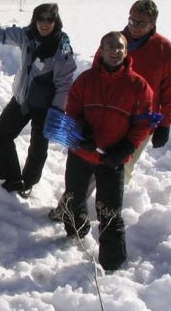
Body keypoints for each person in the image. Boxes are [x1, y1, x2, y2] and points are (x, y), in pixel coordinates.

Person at [49, 0, 171, 220]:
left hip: (137, 123)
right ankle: (70, 208)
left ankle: (106, 211)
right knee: (87, 163)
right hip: (101, 117)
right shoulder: (114, 42)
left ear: (153, 24)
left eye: (141, 23)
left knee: (120, 167)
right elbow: (95, 76)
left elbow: (169, 91)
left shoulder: (164, 50)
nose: (134, 26)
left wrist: (165, 124)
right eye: (132, 20)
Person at [0, 3, 76, 196]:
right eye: (40, 19)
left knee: (38, 148)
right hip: (22, 99)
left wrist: (57, 111)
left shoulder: (62, 50)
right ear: (35, 20)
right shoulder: (27, 36)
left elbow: (64, 84)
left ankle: (28, 183)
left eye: (49, 20)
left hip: (46, 107)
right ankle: (12, 178)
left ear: (56, 21)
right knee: (1, 134)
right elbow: (3, 34)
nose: (44, 24)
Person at [58, 32, 153, 271]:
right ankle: (75, 234)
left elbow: (143, 124)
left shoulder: (138, 86)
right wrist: (82, 134)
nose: (115, 51)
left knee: (109, 211)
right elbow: (72, 110)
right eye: (110, 46)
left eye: (119, 47)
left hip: (112, 159)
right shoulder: (86, 80)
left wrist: (126, 148)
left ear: (126, 51)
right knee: (73, 198)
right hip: (81, 153)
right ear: (101, 49)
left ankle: (112, 263)